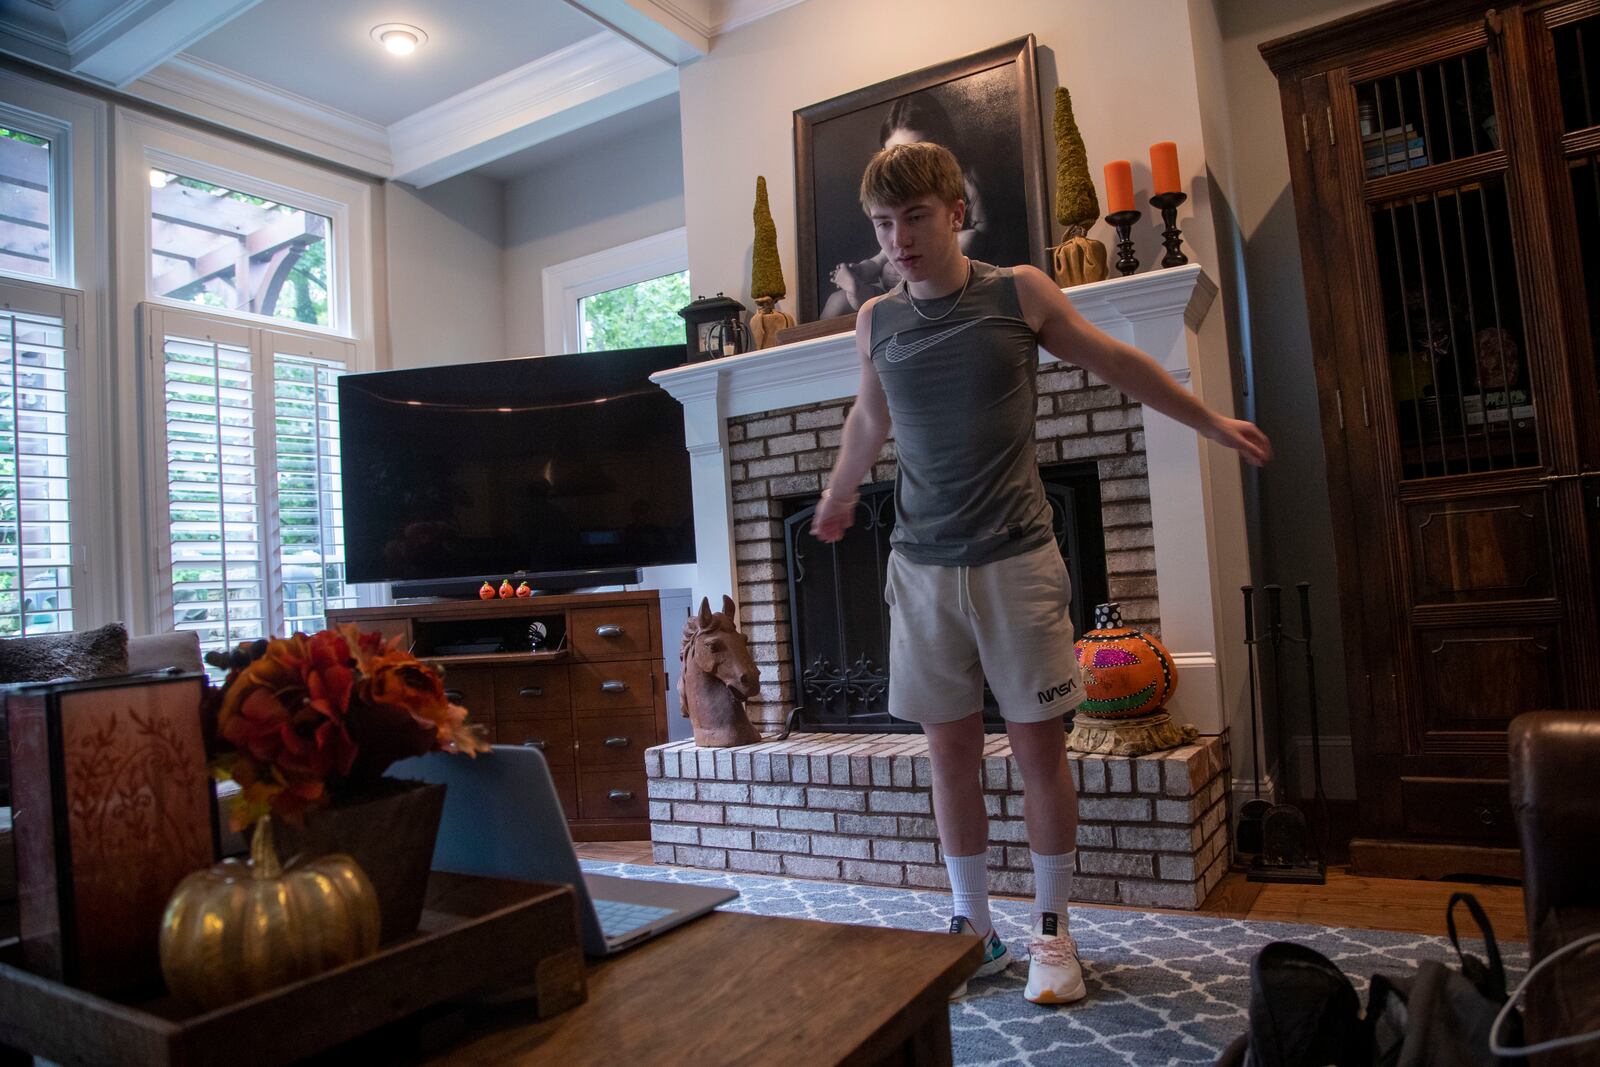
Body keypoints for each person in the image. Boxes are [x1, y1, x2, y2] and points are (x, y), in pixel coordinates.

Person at [811, 141, 1271, 1005]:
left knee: (1036, 752)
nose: (899, 238)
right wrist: (838, 495)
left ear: (954, 211)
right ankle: (974, 928)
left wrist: (1209, 419)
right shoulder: (877, 319)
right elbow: (868, 419)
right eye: (882, 223)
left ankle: (1054, 931)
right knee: (949, 755)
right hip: (919, 568)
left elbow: (1118, 360)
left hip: (1018, 561)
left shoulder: (1015, 291)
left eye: (914, 216)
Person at [821, 93, 992, 318]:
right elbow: (885, 253)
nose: (905, 169)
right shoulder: (886, 204)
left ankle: (871, 299)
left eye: (916, 153)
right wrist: (866, 268)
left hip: (940, 277)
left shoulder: (965, 180)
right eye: (895, 154)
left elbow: (983, 233)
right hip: (891, 281)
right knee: (837, 303)